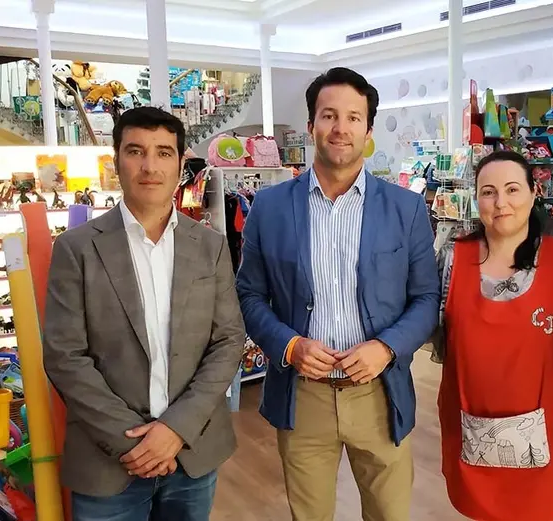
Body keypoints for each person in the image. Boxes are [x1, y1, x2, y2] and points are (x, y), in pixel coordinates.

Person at [236, 67, 440, 521]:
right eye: (329, 116)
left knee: (389, 514)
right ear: (311, 125)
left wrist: (386, 348)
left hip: (379, 393)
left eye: (353, 118)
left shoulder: (405, 208)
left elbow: (427, 299)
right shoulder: (269, 207)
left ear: (368, 131)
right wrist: (290, 345)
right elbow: (249, 294)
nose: (340, 128)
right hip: (302, 394)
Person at [44, 106, 246, 520]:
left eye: (163, 153)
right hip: (109, 457)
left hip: (192, 450)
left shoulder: (209, 246)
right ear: (116, 160)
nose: (150, 166)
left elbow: (227, 341)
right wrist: (136, 442)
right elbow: (65, 357)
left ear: (180, 165)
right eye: (136, 151)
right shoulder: (76, 249)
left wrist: (174, 430)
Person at [432, 150, 553, 521]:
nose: (501, 202)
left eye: (512, 189)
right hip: (471, 435)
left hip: (547, 441)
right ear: (476, 199)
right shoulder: (452, 260)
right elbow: (441, 341)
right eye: (488, 192)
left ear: (534, 193)